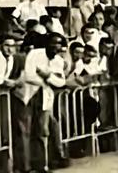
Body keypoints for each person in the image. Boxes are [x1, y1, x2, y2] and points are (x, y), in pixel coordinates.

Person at [23, 32, 68, 171]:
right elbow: (28, 75)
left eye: (59, 43)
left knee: (44, 130)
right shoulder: (35, 54)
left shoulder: (59, 61)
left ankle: (43, 164)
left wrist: (47, 76)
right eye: (53, 43)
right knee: (27, 130)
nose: (55, 46)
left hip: (45, 97)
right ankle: (27, 165)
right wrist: (48, 79)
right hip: (28, 95)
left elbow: (61, 82)